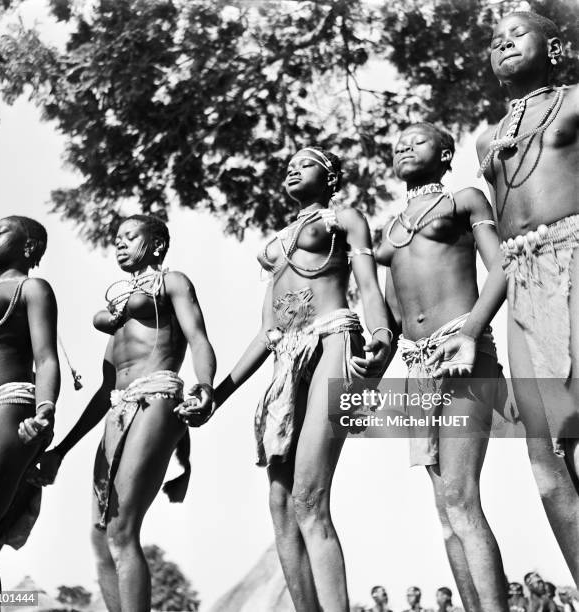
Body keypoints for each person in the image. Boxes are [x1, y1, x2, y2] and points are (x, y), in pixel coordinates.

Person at [181, 146, 391, 612]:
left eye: (307, 162)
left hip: (332, 341)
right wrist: (216, 394)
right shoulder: (277, 246)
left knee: (310, 496)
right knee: (281, 505)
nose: (293, 167)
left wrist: (379, 337)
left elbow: (370, 289)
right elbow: (266, 332)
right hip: (285, 358)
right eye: (289, 164)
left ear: (331, 176)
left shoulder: (344, 221)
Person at [426, 10, 579, 583]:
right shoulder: (489, 138)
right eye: (496, 41)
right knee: (547, 461)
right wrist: (469, 330)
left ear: (556, 47)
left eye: (519, 33)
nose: (504, 43)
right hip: (521, 284)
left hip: (576, 259)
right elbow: (503, 252)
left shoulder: (575, 101)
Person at [37, 215, 216, 612]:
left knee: (121, 529)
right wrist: (60, 452)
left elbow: (199, 339)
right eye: (116, 239)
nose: (118, 244)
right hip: (118, 410)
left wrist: (204, 385)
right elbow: (105, 391)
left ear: (155, 246)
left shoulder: (172, 282)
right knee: (102, 536)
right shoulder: (120, 315)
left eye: (129, 237)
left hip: (156, 396)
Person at [374, 122, 508, 612]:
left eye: (418, 140)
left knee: (461, 498)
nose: (404, 145)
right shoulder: (390, 231)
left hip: (460, 350)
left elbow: (503, 269)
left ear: (447, 153)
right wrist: (370, 361)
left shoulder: (464, 201)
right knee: (446, 512)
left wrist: (470, 334)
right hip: (415, 367)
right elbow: (392, 316)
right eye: (398, 143)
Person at [0, 216, 60, 609]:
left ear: (28, 247)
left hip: (9, 404)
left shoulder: (32, 288)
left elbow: (46, 357)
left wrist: (46, 410)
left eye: (2, 231)